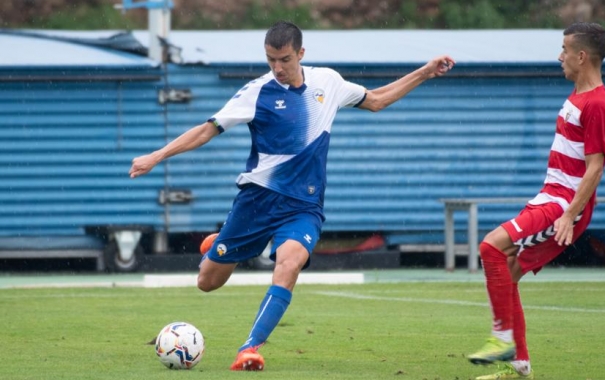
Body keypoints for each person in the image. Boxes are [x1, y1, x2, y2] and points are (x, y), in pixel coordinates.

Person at [129, 20, 455, 371]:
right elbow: (208, 130)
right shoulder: (258, 92)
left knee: (289, 263)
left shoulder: (327, 83)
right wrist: (156, 156)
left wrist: (424, 72)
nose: (278, 68)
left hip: (303, 206)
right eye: (270, 60)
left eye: (284, 59)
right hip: (257, 202)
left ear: (301, 53)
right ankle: (220, 243)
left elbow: (375, 101)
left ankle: (250, 348)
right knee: (207, 282)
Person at [467, 22, 605, 380]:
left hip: (561, 205)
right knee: (508, 274)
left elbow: (596, 167)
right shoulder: (578, 97)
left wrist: (569, 214)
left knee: (490, 248)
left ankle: (502, 339)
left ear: (582, 56)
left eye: (565, 49)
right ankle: (519, 366)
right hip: (550, 198)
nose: (559, 56)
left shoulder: (598, 104)